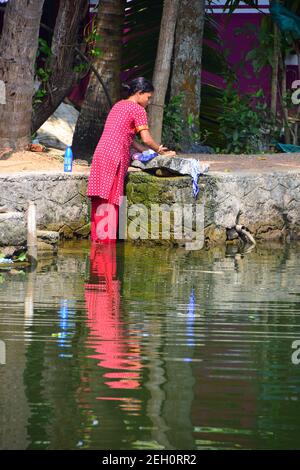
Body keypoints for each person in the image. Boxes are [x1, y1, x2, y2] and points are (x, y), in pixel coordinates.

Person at [87, 77, 175, 243]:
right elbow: (147, 138)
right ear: (139, 93)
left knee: (99, 199)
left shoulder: (118, 105)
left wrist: (148, 150)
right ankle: (106, 248)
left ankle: (97, 245)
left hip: (100, 153)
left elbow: (128, 138)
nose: (148, 102)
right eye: (148, 97)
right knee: (110, 200)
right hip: (115, 156)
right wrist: (159, 151)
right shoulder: (138, 109)